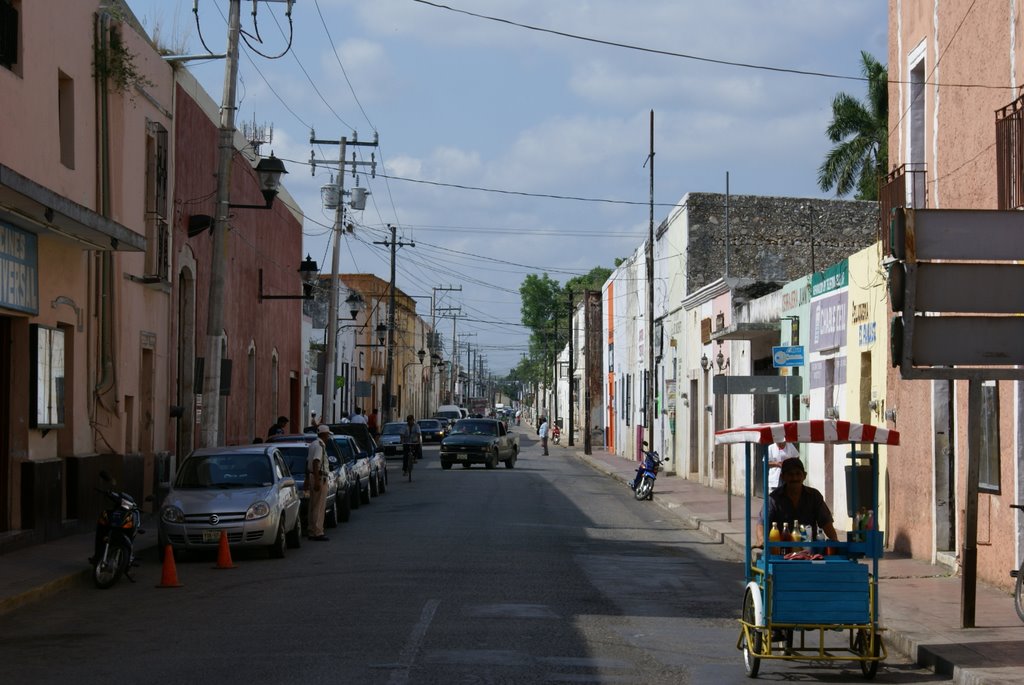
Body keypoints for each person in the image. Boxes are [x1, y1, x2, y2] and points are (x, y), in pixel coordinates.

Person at [756, 457, 838, 546]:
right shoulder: (774, 498)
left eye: (798, 474)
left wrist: (835, 540)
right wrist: (761, 539)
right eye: (790, 474)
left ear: (804, 475)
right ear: (783, 477)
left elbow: (826, 523)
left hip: (809, 551)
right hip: (781, 550)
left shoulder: (814, 496)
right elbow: (762, 523)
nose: (794, 478)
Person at [307, 425, 332, 541]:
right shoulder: (320, 446)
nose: (328, 437)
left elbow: (307, 462)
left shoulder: (313, 444)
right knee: (319, 506)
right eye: (328, 435)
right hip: (320, 477)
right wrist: (317, 480)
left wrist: (308, 479)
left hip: (313, 476)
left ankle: (312, 530)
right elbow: (315, 462)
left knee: (313, 505)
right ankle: (318, 531)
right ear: (324, 434)